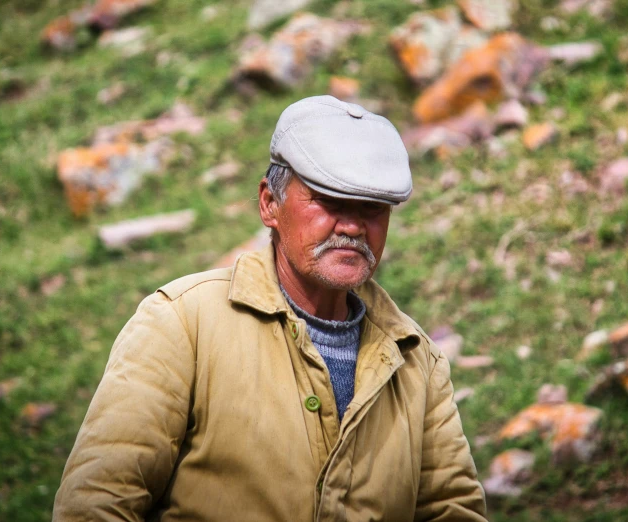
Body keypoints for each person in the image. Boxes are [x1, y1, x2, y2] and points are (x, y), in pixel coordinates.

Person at [53, 96, 487, 521]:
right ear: (269, 204)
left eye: (372, 209)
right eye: (330, 201)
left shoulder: (418, 361)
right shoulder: (182, 322)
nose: (354, 226)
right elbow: (97, 503)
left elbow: (453, 509)